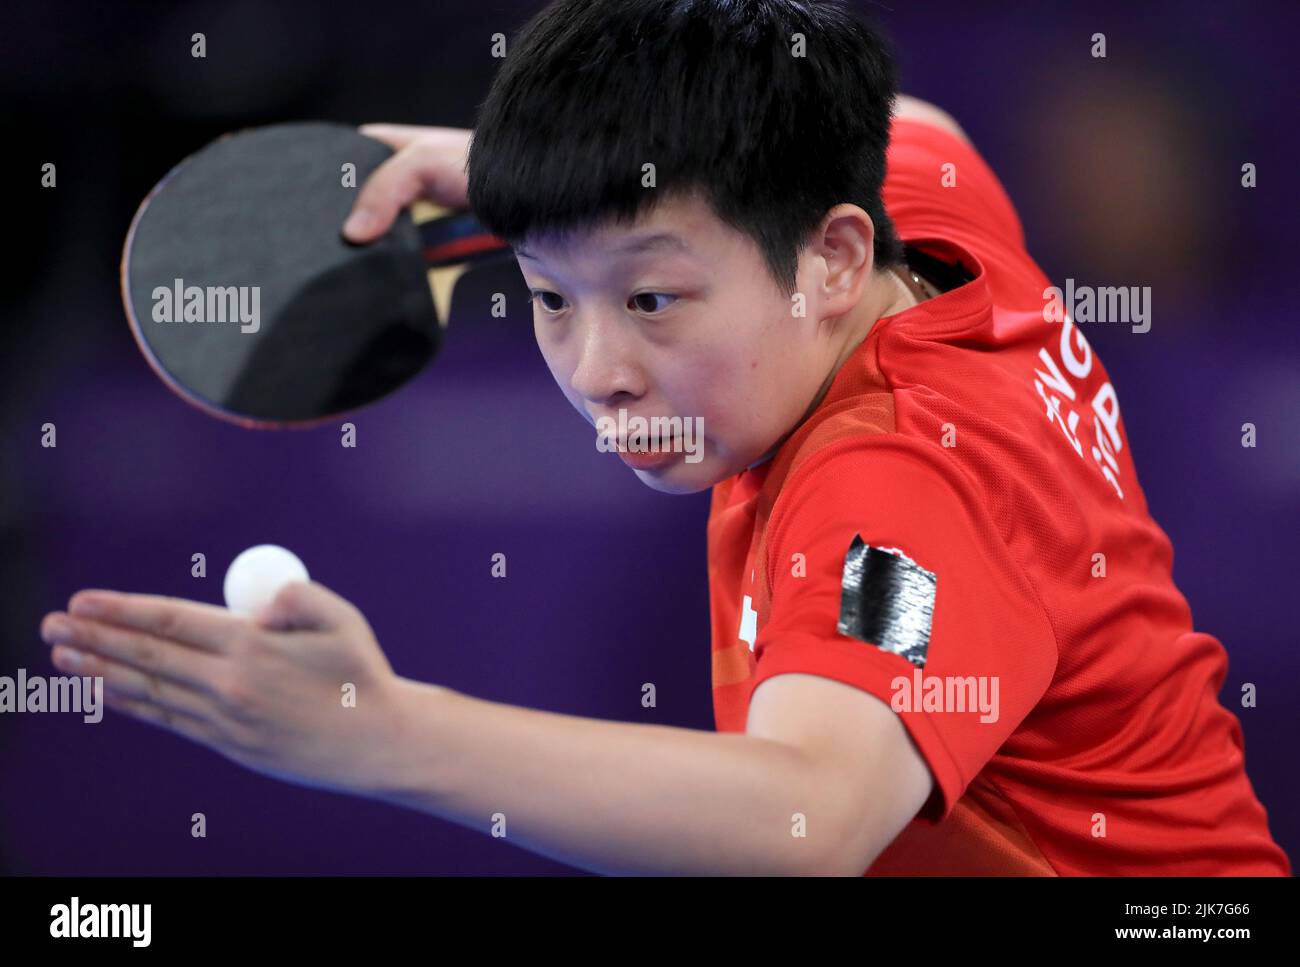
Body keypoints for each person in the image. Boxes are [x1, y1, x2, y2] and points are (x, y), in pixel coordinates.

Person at [42, 0, 1289, 875]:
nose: (597, 376)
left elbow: (811, 812)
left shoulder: (898, 495)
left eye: (650, 299)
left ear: (833, 258)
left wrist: (386, 733)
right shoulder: (909, 210)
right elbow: (921, 123)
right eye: (546, 297)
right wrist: (533, 183)